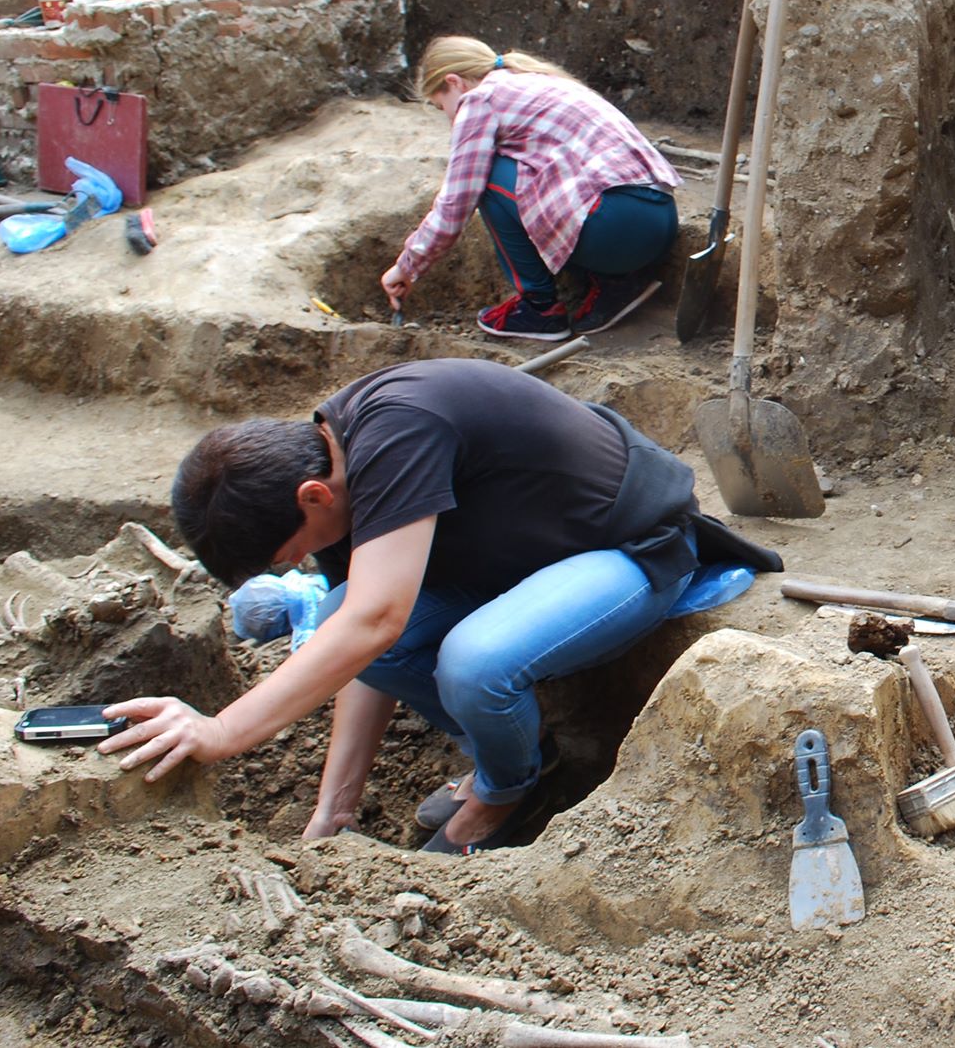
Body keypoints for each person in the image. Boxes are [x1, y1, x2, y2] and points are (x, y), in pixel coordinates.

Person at [100, 358, 779, 853]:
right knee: (340, 619)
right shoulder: (330, 467)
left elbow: (377, 620)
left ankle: (508, 791)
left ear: (313, 496)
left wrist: (222, 731)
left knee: (474, 662)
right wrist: (333, 812)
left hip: (632, 546)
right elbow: (360, 646)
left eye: (288, 553)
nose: (299, 563)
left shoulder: (397, 431)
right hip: (520, 560)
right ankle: (517, 756)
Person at [381, 36, 683, 341]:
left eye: (440, 105)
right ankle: (614, 285)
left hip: (614, 228)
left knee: (485, 176)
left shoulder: (480, 99)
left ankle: (539, 309)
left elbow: (456, 202)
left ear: (454, 82)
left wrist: (406, 267)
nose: (448, 117)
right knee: (547, 181)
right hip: (660, 221)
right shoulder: (536, 80)